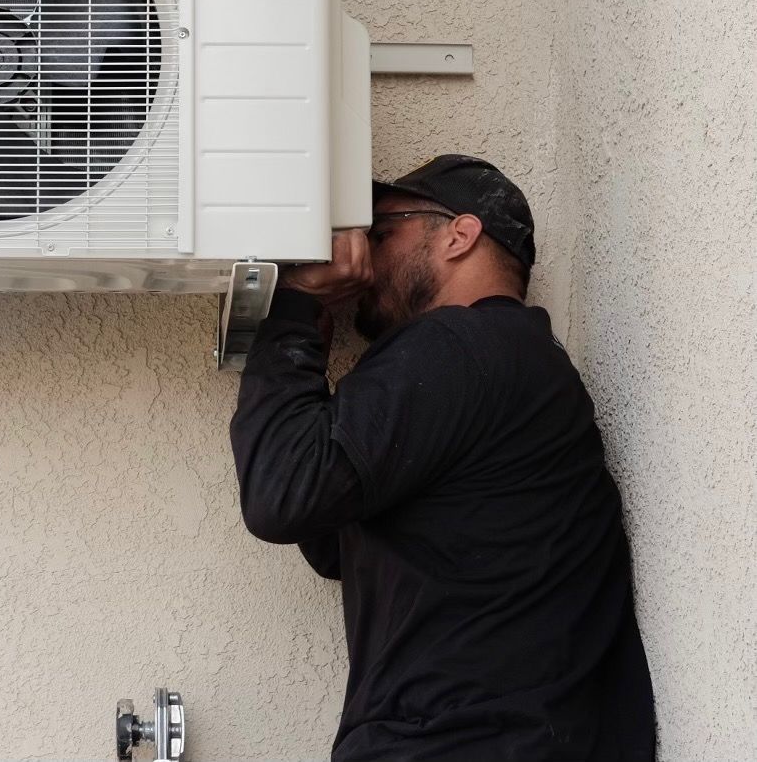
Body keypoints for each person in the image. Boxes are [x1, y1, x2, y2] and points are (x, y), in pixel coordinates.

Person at [230, 154, 654, 761]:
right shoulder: (508, 364)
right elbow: (327, 533)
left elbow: (282, 495)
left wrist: (295, 305)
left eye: (381, 231)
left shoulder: (463, 343)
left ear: (460, 234)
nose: (365, 258)